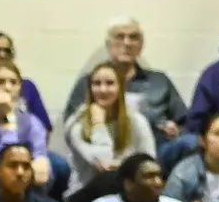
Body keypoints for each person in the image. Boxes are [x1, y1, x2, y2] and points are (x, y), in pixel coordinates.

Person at [63, 18, 189, 167]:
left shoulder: (159, 81)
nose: (127, 43)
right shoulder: (89, 82)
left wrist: (176, 128)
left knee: (190, 142)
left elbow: (185, 121)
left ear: (140, 46)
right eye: (119, 37)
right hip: (107, 151)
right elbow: (72, 127)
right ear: (108, 45)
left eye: (133, 37)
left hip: (158, 150)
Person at [64, 63, 156, 196]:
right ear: (90, 88)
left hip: (128, 193)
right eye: (96, 83)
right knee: (109, 178)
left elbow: (149, 161)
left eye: (110, 83)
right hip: (84, 194)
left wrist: (121, 167)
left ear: (120, 87)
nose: (103, 89)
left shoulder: (136, 121)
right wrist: (98, 123)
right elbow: (104, 158)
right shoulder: (77, 124)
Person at [0, 59, 52, 190]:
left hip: (24, 188)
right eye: (0, 82)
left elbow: (40, 153)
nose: (8, 88)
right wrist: (2, 116)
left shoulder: (30, 121)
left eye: (13, 83)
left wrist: (40, 163)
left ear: (20, 88)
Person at [0, 32, 52, 132]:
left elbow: (44, 128)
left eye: (7, 51)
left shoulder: (27, 86)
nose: (2, 55)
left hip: (25, 143)